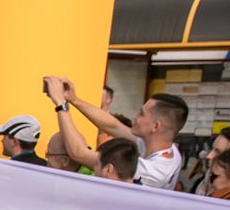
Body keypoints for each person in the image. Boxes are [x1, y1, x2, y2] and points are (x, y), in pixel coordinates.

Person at [47, 76, 187, 189]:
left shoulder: (153, 171)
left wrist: (60, 104)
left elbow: (79, 153)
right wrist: (73, 99)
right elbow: (113, 126)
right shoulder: (164, 147)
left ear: (155, 127)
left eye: (141, 114)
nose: (135, 117)